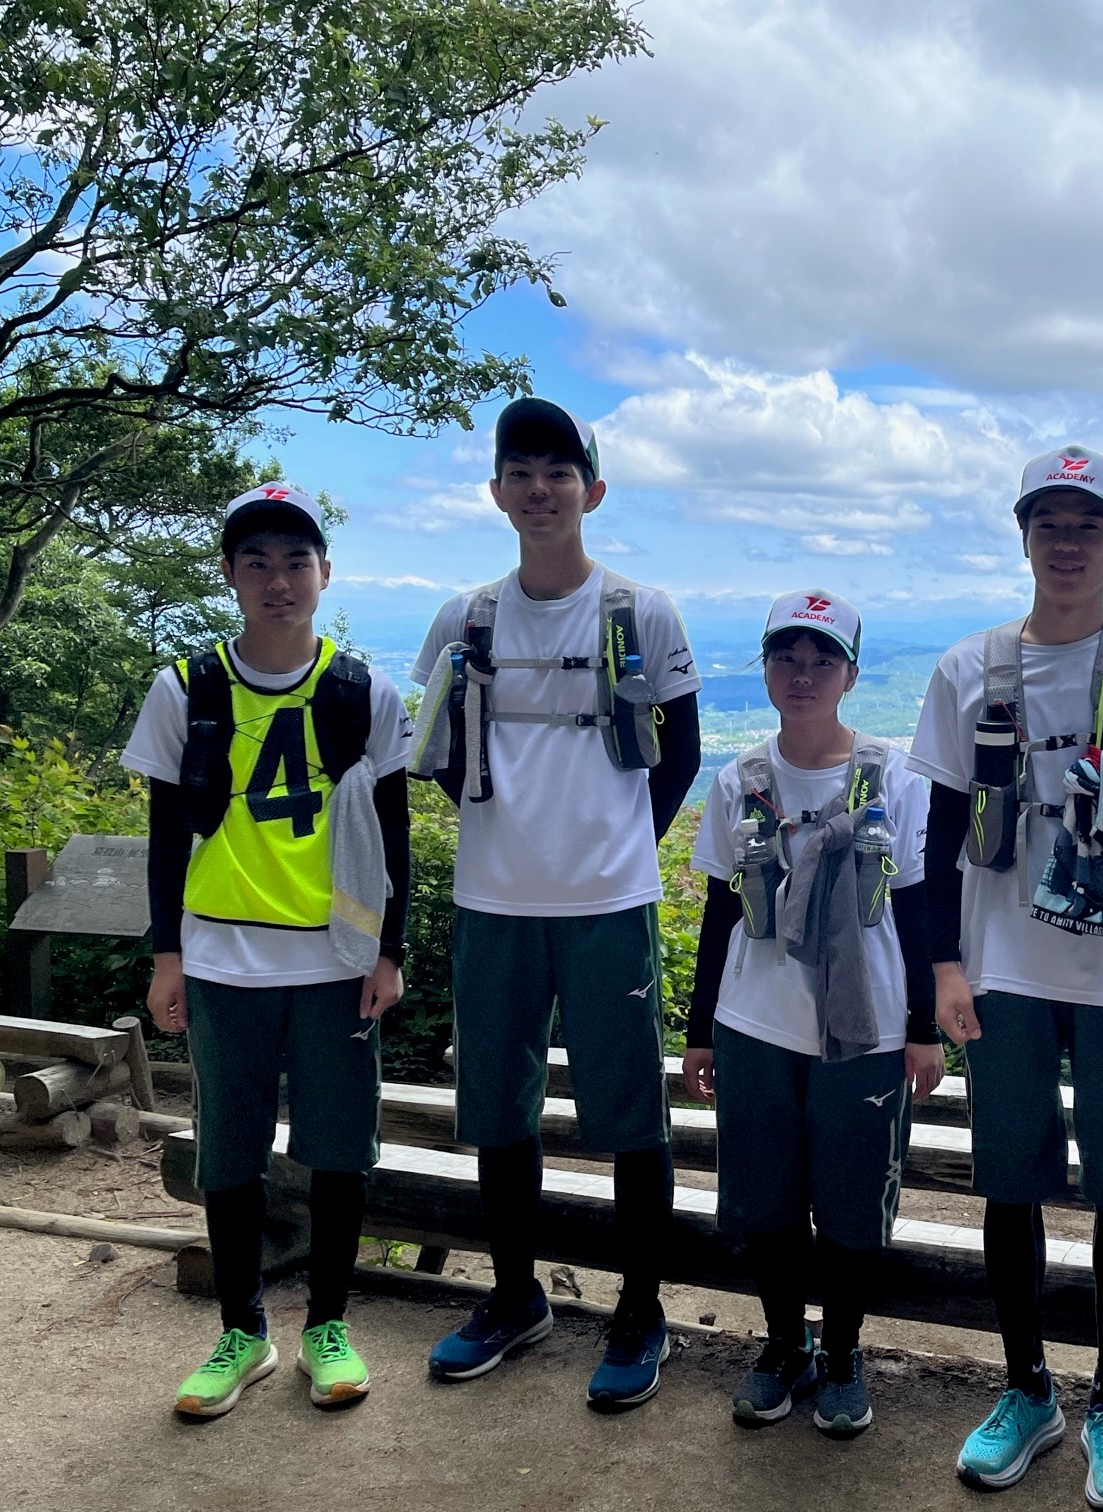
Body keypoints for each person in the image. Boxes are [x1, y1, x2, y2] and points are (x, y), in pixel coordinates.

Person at [908, 447, 1103, 1510]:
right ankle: (1027, 1387)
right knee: (1010, 1181)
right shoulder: (971, 668)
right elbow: (941, 826)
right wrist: (944, 967)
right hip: (1002, 966)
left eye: (1089, 524)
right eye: (1050, 522)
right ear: (1024, 535)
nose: (1068, 542)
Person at [409, 397, 702, 1409]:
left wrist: (616, 846)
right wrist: (506, 828)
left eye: (559, 471)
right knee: (499, 1110)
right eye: (522, 472)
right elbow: (433, 749)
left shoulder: (640, 610)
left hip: (610, 902)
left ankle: (640, 1312)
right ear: (496, 491)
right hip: (494, 898)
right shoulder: (466, 618)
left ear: (593, 490)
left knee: (632, 1118)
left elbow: (681, 753)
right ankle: (513, 1297)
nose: (541, 489)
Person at [125, 482, 414, 1418]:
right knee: (229, 1151)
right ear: (229, 573)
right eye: (257, 562)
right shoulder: (187, 687)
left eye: (296, 561)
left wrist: (390, 951)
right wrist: (168, 957)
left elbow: (395, 831)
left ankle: (327, 1326)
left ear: (326, 572)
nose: (278, 580)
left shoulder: (363, 690)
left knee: (341, 1152)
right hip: (221, 958)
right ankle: (242, 1332)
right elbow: (165, 835)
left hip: (336, 960)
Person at [683, 590, 945, 1437]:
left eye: (822, 660)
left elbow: (917, 906)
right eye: (786, 659)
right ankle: (783, 1343)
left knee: (852, 1200)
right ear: (764, 669)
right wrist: (698, 1030)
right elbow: (720, 909)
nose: (803, 675)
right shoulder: (739, 780)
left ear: (851, 674)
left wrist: (923, 1027)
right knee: (765, 1199)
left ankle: (842, 1350)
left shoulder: (892, 777)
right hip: (754, 1018)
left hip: (866, 1023)